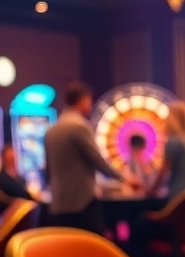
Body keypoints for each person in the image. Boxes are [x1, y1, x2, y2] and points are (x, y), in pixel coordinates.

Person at [44, 81, 138, 234]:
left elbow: (48, 170)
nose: (90, 104)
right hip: (81, 203)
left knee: (66, 245)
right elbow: (98, 161)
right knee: (92, 245)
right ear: (83, 100)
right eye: (89, 100)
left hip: (58, 203)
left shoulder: (51, 130)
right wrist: (125, 178)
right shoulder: (79, 126)